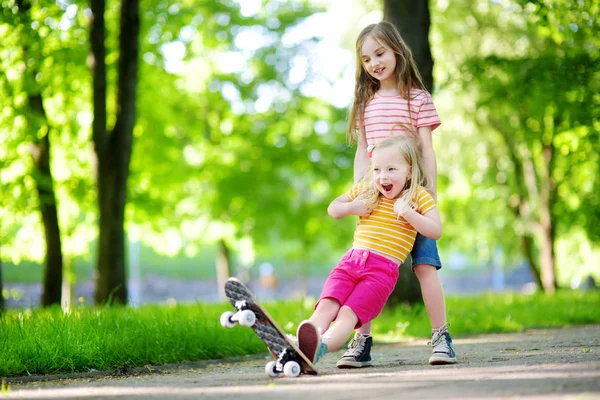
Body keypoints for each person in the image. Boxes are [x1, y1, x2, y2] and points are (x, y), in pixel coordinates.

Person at [336, 21, 457, 368]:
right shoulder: (365, 103)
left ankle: (440, 337)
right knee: (364, 269)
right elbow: (364, 151)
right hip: (376, 198)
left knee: (424, 266)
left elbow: (426, 149)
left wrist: (428, 192)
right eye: (366, 58)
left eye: (380, 53)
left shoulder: (417, 98)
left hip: (412, 196)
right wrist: (361, 191)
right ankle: (361, 341)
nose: (374, 62)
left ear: (397, 51)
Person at [296, 135, 442, 366]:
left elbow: (435, 230)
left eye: (391, 169)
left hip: (380, 272)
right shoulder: (368, 190)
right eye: (376, 169)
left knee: (347, 314)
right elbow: (333, 208)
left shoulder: (417, 196)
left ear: (410, 171)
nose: (382, 176)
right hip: (350, 262)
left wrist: (409, 214)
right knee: (326, 306)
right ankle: (301, 342)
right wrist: (354, 207)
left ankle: (320, 347)